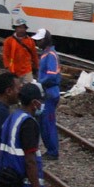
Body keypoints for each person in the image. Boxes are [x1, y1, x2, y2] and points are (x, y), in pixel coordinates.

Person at [32, 29, 60, 161]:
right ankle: (51, 149)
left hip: (49, 92)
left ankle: (53, 151)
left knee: (48, 123)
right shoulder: (47, 53)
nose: (37, 42)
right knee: (45, 122)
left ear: (46, 40)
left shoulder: (50, 55)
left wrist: (39, 83)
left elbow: (51, 75)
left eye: (40, 40)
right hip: (48, 91)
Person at [3, 18, 38, 83]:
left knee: (28, 89)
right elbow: (6, 56)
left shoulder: (30, 41)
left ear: (25, 29)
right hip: (13, 71)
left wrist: (36, 67)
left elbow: (34, 56)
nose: (21, 29)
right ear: (15, 28)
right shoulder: (8, 41)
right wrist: (7, 68)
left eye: (23, 27)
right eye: (19, 27)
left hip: (27, 71)